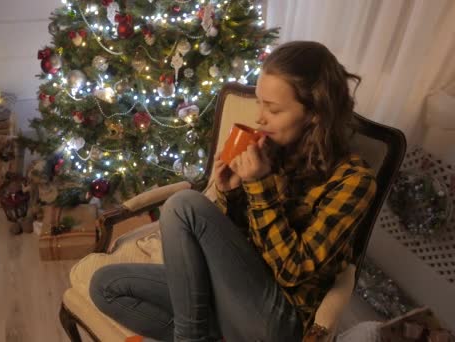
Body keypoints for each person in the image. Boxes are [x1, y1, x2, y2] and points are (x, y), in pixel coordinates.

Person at [89, 41, 377, 342]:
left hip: (279, 320)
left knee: (183, 205)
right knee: (105, 286)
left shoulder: (355, 181)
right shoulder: (270, 148)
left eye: (274, 109)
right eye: (259, 102)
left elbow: (293, 271)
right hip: (232, 294)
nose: (260, 118)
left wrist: (259, 186)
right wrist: (231, 193)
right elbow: (231, 247)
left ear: (315, 113)